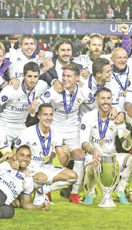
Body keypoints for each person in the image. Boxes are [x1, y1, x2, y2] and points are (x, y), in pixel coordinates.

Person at [35, 64, 92, 204]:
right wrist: (33, 106)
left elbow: (94, 106)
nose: (65, 79)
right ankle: (44, 193)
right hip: (54, 128)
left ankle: (74, 194)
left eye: (69, 76)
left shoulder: (84, 90)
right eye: (63, 76)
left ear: (77, 78)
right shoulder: (55, 90)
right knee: (47, 157)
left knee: (80, 156)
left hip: (73, 129)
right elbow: (38, 105)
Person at [81, 88, 132, 205]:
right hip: (93, 155)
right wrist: (93, 151)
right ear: (96, 100)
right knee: (91, 167)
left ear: (112, 100)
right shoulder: (88, 117)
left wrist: (127, 139)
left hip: (112, 156)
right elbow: (84, 142)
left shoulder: (117, 118)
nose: (105, 102)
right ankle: (91, 192)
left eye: (108, 98)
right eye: (102, 98)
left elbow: (126, 146)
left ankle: (120, 190)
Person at [15, 103, 77, 205]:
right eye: (45, 115)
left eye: (51, 115)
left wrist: (67, 155)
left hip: (44, 167)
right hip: (29, 169)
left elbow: (63, 162)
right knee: (41, 177)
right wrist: (21, 169)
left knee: (73, 176)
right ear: (39, 116)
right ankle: (29, 192)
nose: (49, 118)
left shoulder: (56, 134)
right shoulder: (28, 132)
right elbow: (15, 154)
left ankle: (44, 191)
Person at [0, 62, 48, 144]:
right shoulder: (13, 88)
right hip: (4, 125)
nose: (32, 80)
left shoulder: (41, 87)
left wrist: (55, 82)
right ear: (23, 75)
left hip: (21, 126)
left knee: (31, 150)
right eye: (29, 76)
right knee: (8, 154)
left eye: (35, 77)